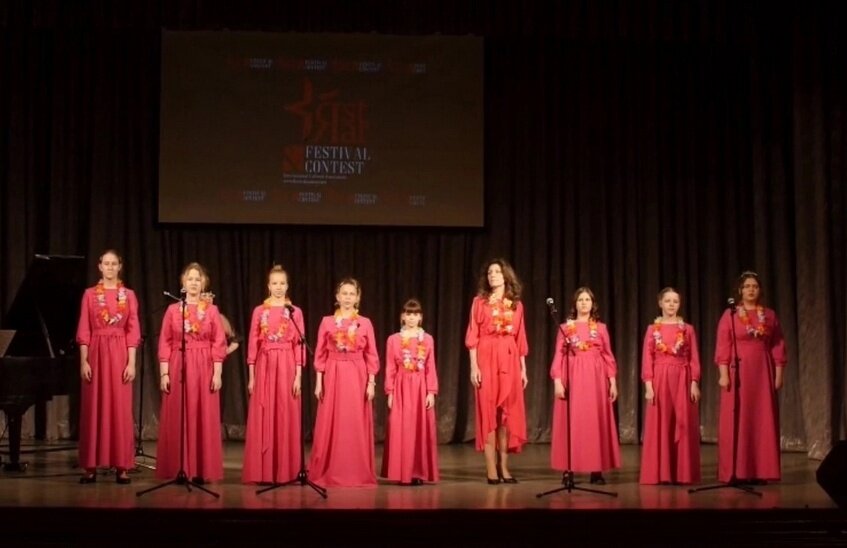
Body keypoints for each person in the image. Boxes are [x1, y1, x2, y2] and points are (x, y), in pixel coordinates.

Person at [156, 262, 227, 483]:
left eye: (198, 279)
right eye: (190, 279)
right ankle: (180, 467)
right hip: (179, 364)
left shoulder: (212, 311)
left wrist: (217, 373)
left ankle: (201, 469)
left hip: (204, 366)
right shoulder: (173, 310)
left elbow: (219, 342)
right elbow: (165, 342)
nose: (194, 283)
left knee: (202, 416)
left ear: (203, 283)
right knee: (179, 415)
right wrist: (164, 373)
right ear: (183, 283)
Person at [75, 250, 141, 484]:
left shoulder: (129, 295)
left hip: (120, 353)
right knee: (93, 408)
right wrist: (84, 360)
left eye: (114, 263)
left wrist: (131, 362)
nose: (110, 267)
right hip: (96, 353)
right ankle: (90, 466)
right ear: (100, 266)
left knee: (120, 409)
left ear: (120, 267)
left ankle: (122, 466)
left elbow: (133, 331)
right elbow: (84, 329)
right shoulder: (90, 295)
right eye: (106, 263)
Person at [715, 271, 786, 484]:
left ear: (760, 290)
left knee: (761, 419)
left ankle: (760, 470)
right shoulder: (730, 315)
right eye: (747, 286)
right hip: (738, 371)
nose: (751, 289)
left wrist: (779, 375)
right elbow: (723, 345)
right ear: (740, 290)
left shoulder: (770, 315)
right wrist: (723, 374)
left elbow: (778, 346)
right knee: (739, 418)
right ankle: (737, 471)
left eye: (755, 286)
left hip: (762, 371)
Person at [309, 278, 379, 487]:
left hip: (357, 375)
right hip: (333, 372)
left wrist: (371, 382)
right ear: (337, 297)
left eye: (351, 294)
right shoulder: (327, 322)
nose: (348, 298)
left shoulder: (365, 323)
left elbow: (372, 355)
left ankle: (355, 471)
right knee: (332, 420)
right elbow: (320, 354)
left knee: (353, 421)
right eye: (344, 293)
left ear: (357, 298)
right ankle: (330, 468)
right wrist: (319, 382)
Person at [465, 259, 528, 485]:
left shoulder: (516, 305)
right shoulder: (479, 302)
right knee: (488, 412)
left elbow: (520, 338)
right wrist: (474, 366)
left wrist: (523, 369)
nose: (492, 275)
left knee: (506, 414)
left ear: (506, 276)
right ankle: (491, 467)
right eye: (489, 272)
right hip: (486, 356)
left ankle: (504, 466)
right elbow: (472, 335)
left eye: (497, 271)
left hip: (509, 358)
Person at [549, 287, 620, 484]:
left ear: (592, 304)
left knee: (594, 422)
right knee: (571, 422)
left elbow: (608, 356)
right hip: (572, 377)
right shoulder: (565, 328)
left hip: (595, 379)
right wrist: (557, 380)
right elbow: (559, 354)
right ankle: (568, 469)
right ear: (575, 304)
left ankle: (596, 469)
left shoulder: (601, 328)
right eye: (580, 299)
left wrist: (612, 381)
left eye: (587, 299)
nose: (584, 303)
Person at [242, 265, 304, 484]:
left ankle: (285, 470)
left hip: (287, 364)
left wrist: (298, 376)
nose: (278, 287)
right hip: (265, 364)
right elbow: (253, 343)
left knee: (285, 413)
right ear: (268, 286)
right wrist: (252, 376)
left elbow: (299, 345)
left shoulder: (295, 312)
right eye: (274, 283)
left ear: (287, 286)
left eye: (282, 283)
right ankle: (264, 471)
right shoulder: (260, 311)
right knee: (265, 412)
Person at [639, 287, 701, 485]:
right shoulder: (652, 330)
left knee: (683, 423)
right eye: (668, 301)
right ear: (660, 303)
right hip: (660, 378)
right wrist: (649, 386)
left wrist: (694, 383)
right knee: (662, 424)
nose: (672, 304)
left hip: (682, 378)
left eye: (675, 301)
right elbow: (647, 359)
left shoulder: (687, 329)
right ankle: (662, 473)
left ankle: (682, 473)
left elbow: (694, 358)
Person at [381, 298, 439, 485]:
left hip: (420, 386)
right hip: (401, 387)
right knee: (402, 429)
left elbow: (430, 367)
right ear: (402, 317)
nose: (412, 317)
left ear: (420, 317)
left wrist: (431, 391)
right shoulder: (393, 340)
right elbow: (390, 367)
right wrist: (390, 392)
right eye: (408, 314)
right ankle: (402, 473)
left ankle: (418, 473)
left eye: (415, 314)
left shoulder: (427, 339)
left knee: (419, 429)